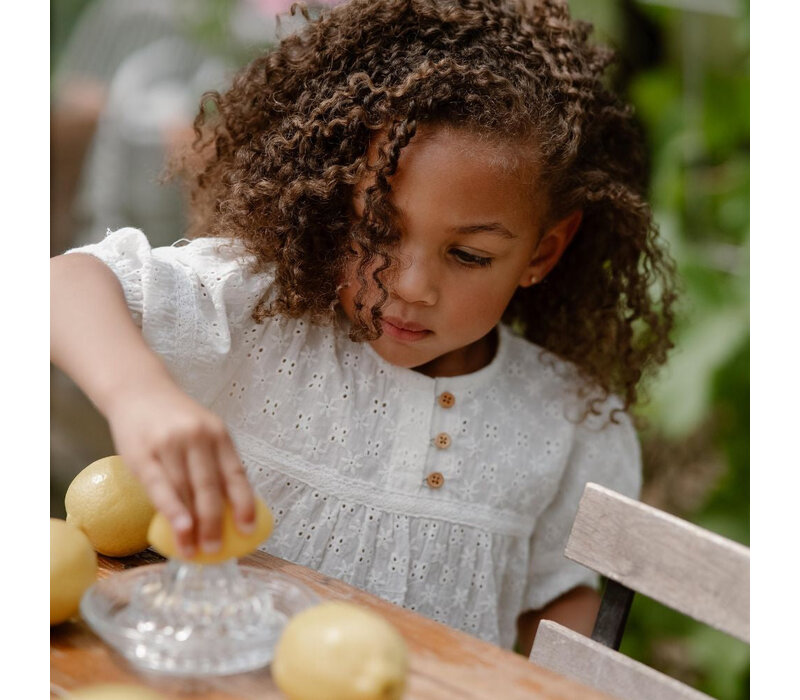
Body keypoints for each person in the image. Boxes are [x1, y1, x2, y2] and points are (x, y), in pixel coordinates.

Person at [50, 0, 676, 652]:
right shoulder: (259, 315)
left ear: (542, 253)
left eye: (468, 255)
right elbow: (59, 285)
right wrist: (138, 393)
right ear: (331, 201)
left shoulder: (570, 422)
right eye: (377, 232)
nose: (410, 285)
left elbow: (556, 604)